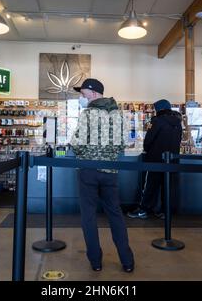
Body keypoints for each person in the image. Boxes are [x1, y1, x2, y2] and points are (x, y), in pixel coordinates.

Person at [70, 78, 135, 273]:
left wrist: (86, 154)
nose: (82, 97)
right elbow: (123, 144)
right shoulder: (117, 114)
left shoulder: (87, 114)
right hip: (110, 172)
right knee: (115, 214)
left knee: (88, 216)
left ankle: (96, 262)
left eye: (83, 93)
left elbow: (77, 143)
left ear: (93, 92)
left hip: (88, 171)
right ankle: (127, 261)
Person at [127, 99, 182, 219]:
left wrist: (146, 148)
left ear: (159, 109)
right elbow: (179, 140)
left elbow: (148, 140)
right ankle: (165, 212)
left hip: (155, 159)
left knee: (150, 186)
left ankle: (143, 210)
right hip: (172, 160)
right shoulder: (178, 122)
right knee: (167, 186)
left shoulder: (157, 121)